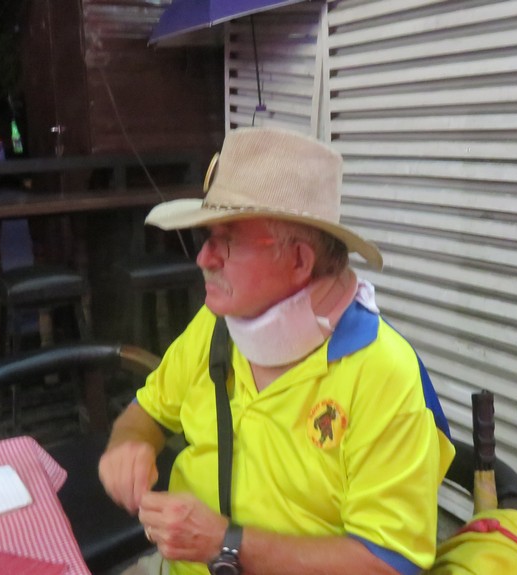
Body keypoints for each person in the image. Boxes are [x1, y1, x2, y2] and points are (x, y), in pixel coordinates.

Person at [98, 127, 456, 575]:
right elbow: (146, 412)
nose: (204, 258)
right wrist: (130, 444)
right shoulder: (216, 323)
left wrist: (225, 544)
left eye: (227, 240)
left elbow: (390, 564)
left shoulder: (382, 372)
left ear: (300, 260)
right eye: (206, 238)